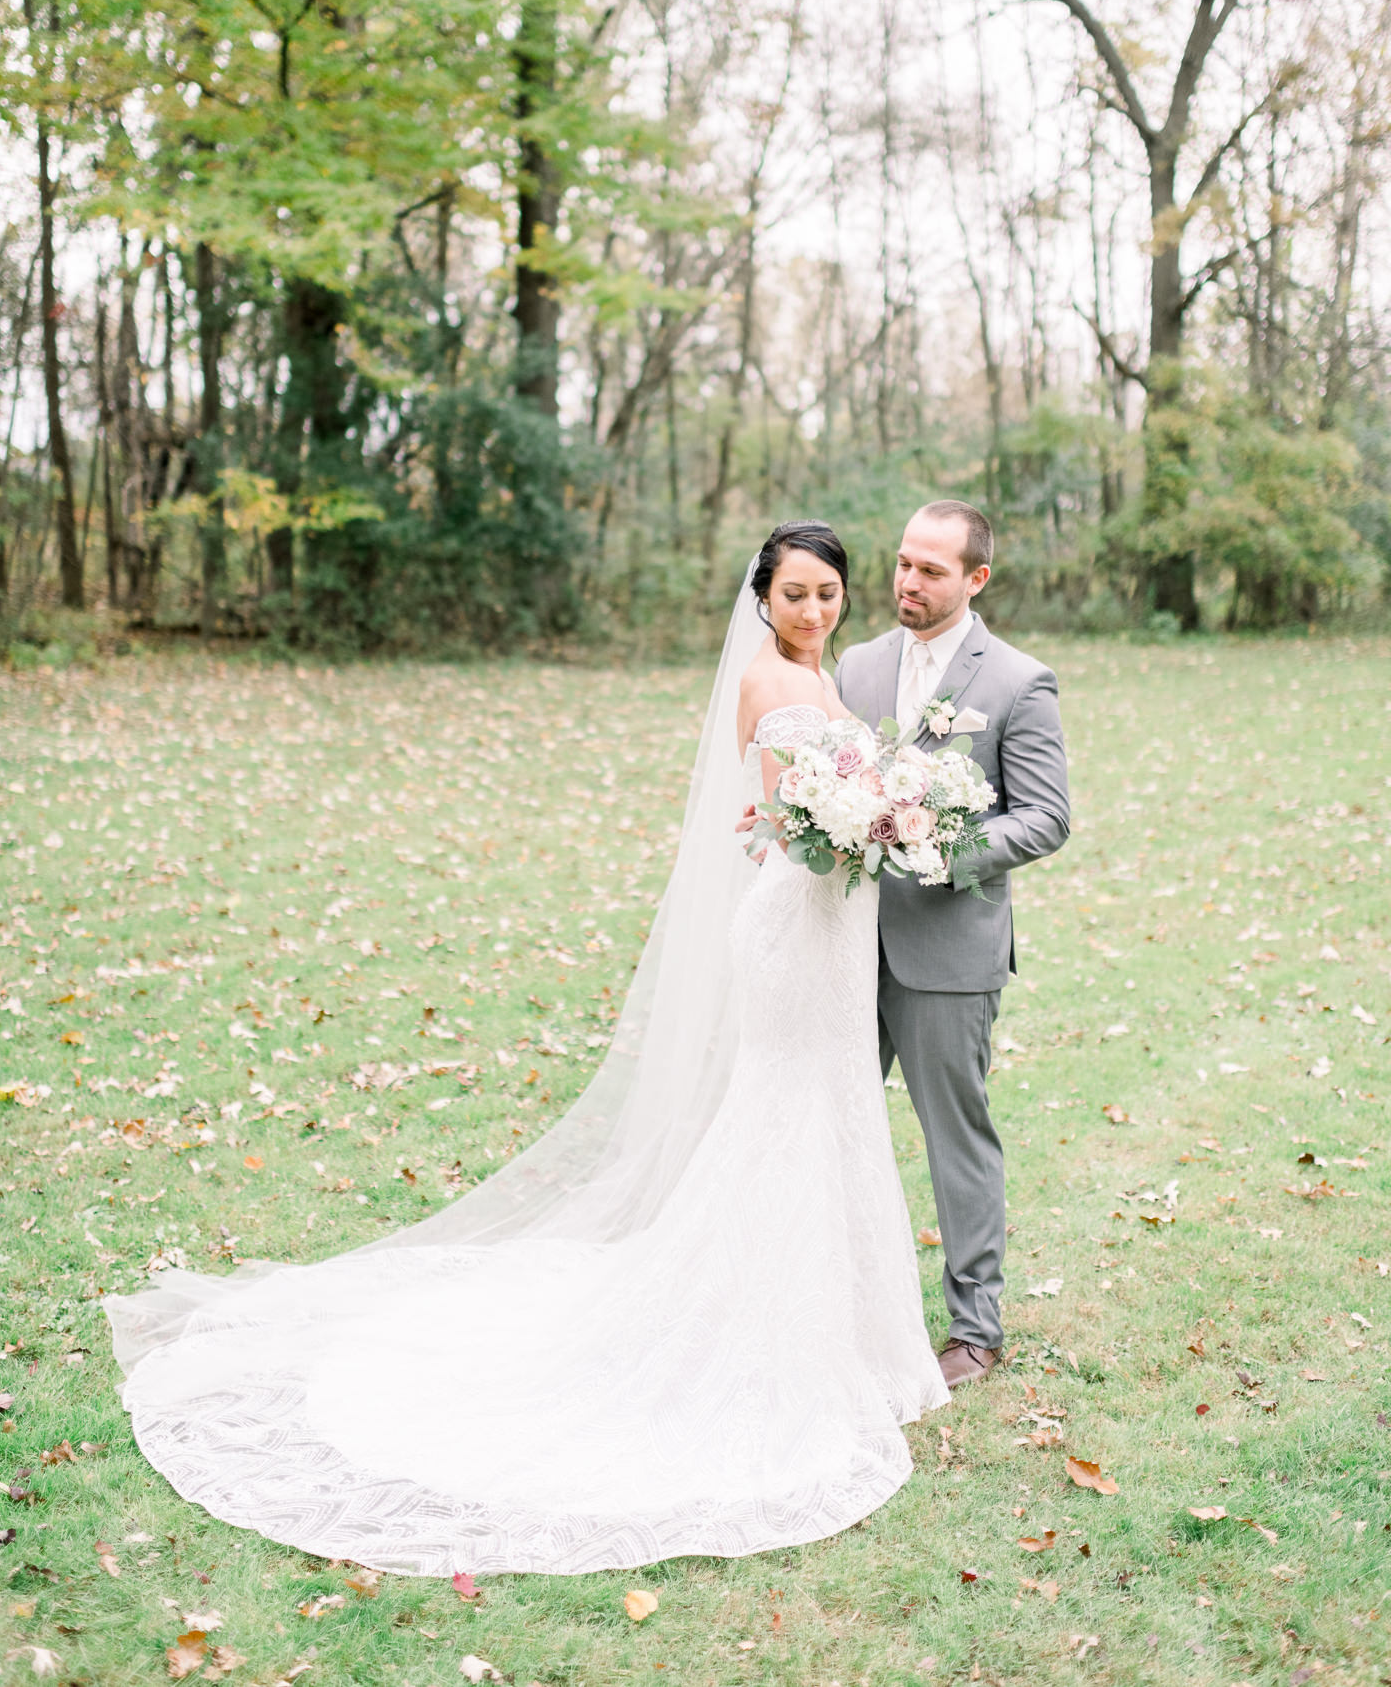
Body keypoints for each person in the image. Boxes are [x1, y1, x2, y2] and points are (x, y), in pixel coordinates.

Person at [104, 521, 947, 1577]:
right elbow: (781, 815)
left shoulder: (824, 683)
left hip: (838, 929)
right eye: (793, 595)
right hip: (790, 925)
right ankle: (750, 1334)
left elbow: (836, 798)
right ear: (762, 599)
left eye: (827, 593)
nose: (813, 611)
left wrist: (889, 812)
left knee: (833, 1108)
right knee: (779, 1108)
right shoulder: (764, 684)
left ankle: (856, 1342)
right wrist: (860, 816)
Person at [835, 500, 1071, 1388]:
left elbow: (1047, 818)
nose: (908, 582)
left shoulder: (1018, 681)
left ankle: (975, 1329)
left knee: (954, 1137)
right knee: (822, 1122)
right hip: (844, 945)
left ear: (976, 579)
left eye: (931, 570)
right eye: (902, 563)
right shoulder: (855, 666)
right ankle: (828, 1302)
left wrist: (939, 847)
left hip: (947, 950)